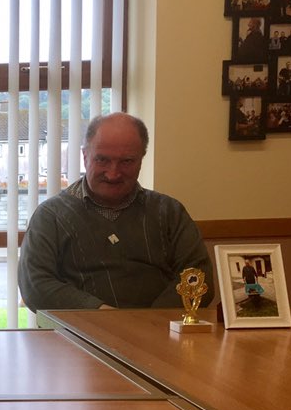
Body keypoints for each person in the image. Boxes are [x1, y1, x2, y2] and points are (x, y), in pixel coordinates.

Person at [18, 112, 214, 313]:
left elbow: (199, 276)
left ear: (141, 160)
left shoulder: (170, 213)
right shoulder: (50, 216)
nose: (113, 173)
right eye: (102, 160)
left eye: (126, 161)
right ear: (85, 157)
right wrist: (101, 314)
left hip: (161, 335)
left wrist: (150, 322)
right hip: (77, 337)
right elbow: (36, 285)